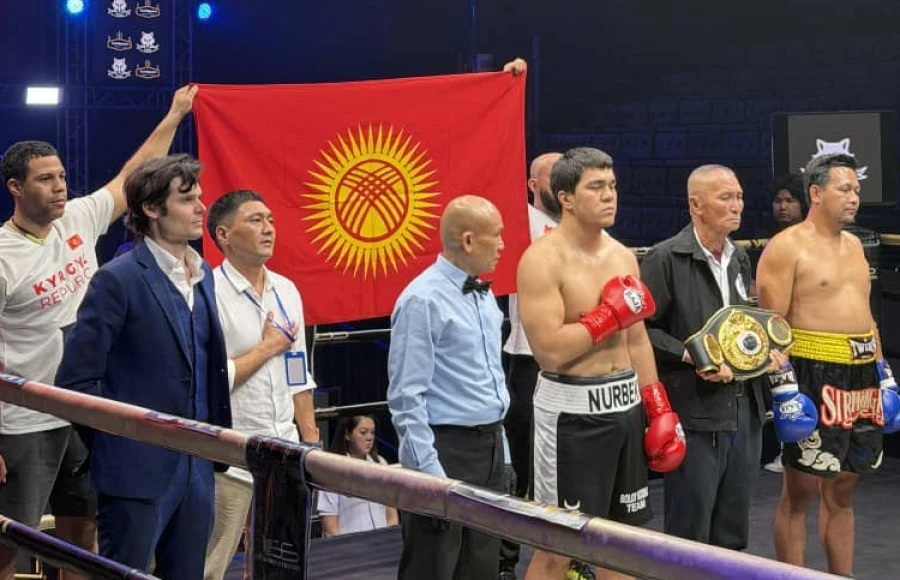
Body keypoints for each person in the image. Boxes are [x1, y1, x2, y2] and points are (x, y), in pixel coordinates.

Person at [0, 86, 197, 580]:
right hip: (23, 422)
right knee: (9, 542)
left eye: (62, 176)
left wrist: (175, 115)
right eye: (45, 179)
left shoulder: (79, 218)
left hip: (85, 410)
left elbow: (132, 176)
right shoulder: (3, 256)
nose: (60, 187)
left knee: (83, 541)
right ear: (15, 187)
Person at [55, 154, 232, 579]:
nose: (201, 207)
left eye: (199, 196)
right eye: (187, 199)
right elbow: (75, 382)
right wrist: (120, 448)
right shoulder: (117, 279)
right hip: (134, 474)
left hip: (198, 467)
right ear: (152, 209)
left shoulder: (203, 274)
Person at [518, 147, 685, 580]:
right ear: (566, 198)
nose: (609, 195)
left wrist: (658, 407)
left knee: (623, 543)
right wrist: (607, 316)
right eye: (596, 187)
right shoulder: (541, 261)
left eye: (612, 186)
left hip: (625, 406)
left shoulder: (622, 256)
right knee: (559, 546)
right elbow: (549, 351)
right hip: (570, 419)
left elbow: (637, 337)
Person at [756, 153, 897, 577]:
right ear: (816, 193)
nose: (854, 197)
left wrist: (885, 374)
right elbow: (772, 325)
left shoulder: (856, 246)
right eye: (845, 188)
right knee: (800, 492)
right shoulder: (787, 247)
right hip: (812, 373)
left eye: (857, 189)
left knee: (844, 490)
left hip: (862, 373)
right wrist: (784, 387)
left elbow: (866, 315)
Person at [640, 164, 767, 551]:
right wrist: (695, 356)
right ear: (696, 205)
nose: (737, 205)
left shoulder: (739, 257)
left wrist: (764, 352)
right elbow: (641, 330)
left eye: (739, 196)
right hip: (695, 409)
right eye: (725, 197)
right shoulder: (665, 257)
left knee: (733, 527)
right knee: (690, 529)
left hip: (744, 407)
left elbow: (737, 324)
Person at [387, 194, 512, 580]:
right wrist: (430, 475)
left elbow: (492, 385)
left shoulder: (484, 296)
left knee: (481, 570)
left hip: (489, 448)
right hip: (444, 449)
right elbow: (406, 398)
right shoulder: (422, 299)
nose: (503, 245)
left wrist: (504, 458)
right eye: (497, 235)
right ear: (469, 241)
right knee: (433, 568)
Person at [203, 189, 320, 580]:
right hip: (230, 456)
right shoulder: (207, 293)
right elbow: (212, 381)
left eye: (270, 220)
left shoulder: (286, 290)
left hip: (285, 452)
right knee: (210, 565)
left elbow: (297, 369)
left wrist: (311, 440)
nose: (268, 228)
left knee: (280, 565)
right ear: (223, 235)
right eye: (255, 220)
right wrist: (269, 346)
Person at [499, 151, 561, 580]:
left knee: (567, 466)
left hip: (573, 362)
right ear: (532, 185)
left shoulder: (583, 227)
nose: (562, 181)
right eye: (552, 175)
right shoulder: (520, 220)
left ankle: (570, 557)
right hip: (526, 358)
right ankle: (505, 561)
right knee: (519, 467)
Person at [759, 173, 807, 474]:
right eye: (778, 201)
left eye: (790, 200)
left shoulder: (810, 240)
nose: (783, 207)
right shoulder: (771, 239)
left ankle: (799, 452)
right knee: (780, 389)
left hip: (806, 330)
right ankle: (784, 451)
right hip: (778, 329)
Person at [317, 415, 399, 536]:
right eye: (363, 432)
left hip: (383, 543)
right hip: (351, 545)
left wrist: (388, 540)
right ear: (347, 434)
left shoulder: (381, 464)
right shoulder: (332, 470)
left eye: (372, 432)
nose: (369, 438)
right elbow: (330, 528)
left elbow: (392, 515)